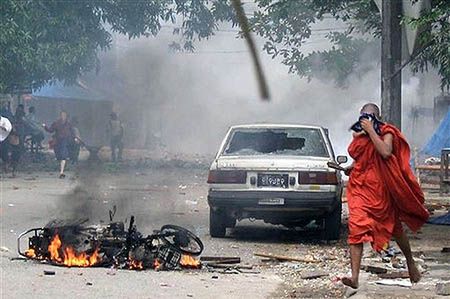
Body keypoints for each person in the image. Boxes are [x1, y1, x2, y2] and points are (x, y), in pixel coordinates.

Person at [342, 103, 429, 289]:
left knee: (395, 228)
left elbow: (385, 152)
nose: (366, 119)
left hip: (381, 189)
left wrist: (372, 132)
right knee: (356, 229)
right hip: (359, 187)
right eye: (363, 116)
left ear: (377, 117)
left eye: (370, 116)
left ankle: (410, 262)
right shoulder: (358, 135)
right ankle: (354, 277)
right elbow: (362, 157)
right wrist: (353, 166)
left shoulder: (386, 132)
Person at [44, 111, 73, 178]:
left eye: (64, 115)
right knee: (59, 156)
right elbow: (50, 130)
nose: (63, 116)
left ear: (66, 116)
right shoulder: (56, 123)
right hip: (57, 141)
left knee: (63, 156)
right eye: (62, 115)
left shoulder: (69, 124)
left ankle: (61, 172)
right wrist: (45, 126)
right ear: (60, 116)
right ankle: (61, 167)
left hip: (65, 141)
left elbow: (72, 132)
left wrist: (74, 138)